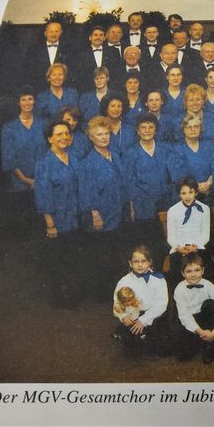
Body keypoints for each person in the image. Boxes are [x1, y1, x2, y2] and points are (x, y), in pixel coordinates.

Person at [80, 116, 129, 298]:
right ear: (92, 138)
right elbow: (86, 191)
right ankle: (103, 294)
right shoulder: (88, 162)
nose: (104, 137)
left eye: (106, 133)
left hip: (118, 212)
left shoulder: (115, 155)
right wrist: (95, 214)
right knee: (103, 255)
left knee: (117, 253)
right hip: (102, 214)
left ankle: (118, 291)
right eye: (99, 134)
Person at [34, 120, 81, 308]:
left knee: (72, 259)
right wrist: (50, 223)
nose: (64, 137)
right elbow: (42, 194)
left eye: (66, 133)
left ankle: (70, 294)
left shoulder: (74, 159)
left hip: (74, 218)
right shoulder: (44, 164)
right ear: (50, 138)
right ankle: (59, 299)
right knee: (58, 261)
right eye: (59, 134)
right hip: (56, 220)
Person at [125, 113, 179, 267]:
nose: (147, 130)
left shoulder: (166, 149)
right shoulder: (131, 152)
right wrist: (135, 206)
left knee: (165, 246)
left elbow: (174, 176)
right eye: (143, 127)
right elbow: (129, 181)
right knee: (147, 245)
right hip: (143, 206)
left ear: (156, 129)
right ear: (138, 130)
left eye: (151, 127)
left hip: (166, 203)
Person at [1, 87, 48, 240]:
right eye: (23, 99)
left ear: (34, 101)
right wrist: (25, 180)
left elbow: (49, 152)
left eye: (30, 99)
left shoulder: (43, 124)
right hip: (19, 183)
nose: (27, 103)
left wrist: (39, 179)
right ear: (18, 102)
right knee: (24, 231)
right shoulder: (9, 127)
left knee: (43, 228)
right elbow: (9, 158)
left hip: (42, 181)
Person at [112, 245, 169, 356]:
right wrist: (123, 316)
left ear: (150, 262)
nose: (140, 265)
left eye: (143, 261)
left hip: (154, 316)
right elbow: (117, 302)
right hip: (133, 315)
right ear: (130, 263)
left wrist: (143, 320)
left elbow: (161, 304)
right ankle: (126, 334)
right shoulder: (124, 281)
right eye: (136, 261)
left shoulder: (158, 280)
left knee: (161, 349)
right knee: (133, 347)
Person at [173, 253, 214, 364]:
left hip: (205, 317)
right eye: (189, 271)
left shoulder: (209, 285)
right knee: (183, 356)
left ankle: (209, 344)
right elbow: (184, 315)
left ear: (203, 270)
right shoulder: (179, 289)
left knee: (211, 304)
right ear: (183, 273)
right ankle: (199, 338)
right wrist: (200, 332)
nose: (193, 274)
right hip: (190, 319)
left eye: (197, 270)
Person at [166, 176, 211, 288]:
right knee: (176, 266)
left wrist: (195, 246)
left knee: (207, 265)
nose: (187, 196)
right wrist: (179, 247)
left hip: (198, 247)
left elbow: (205, 235)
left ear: (196, 192)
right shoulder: (173, 210)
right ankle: (179, 294)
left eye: (190, 192)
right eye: (183, 193)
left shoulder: (204, 209)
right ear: (179, 194)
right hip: (179, 248)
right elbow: (171, 236)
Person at [174, 113, 214, 204]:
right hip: (187, 196)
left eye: (196, 126)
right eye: (189, 127)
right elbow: (177, 174)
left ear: (201, 128)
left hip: (209, 193)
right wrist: (195, 186)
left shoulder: (209, 145)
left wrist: (208, 184)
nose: (193, 129)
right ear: (184, 129)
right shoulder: (176, 149)